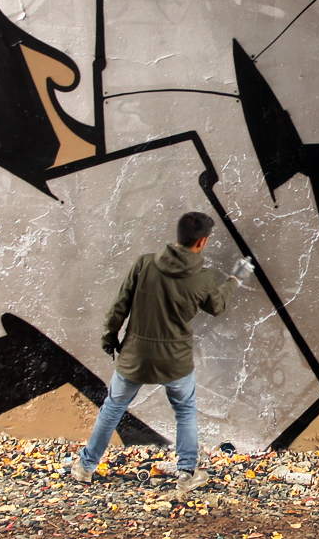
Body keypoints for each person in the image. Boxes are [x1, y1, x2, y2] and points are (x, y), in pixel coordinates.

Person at [68, 210, 249, 493]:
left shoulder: (144, 264)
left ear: (178, 236)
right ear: (202, 241)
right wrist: (234, 279)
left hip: (135, 356)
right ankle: (187, 473)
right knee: (185, 411)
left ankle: (85, 467)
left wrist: (109, 337)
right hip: (175, 362)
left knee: (112, 409)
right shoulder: (201, 278)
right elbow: (216, 306)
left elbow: (119, 305)